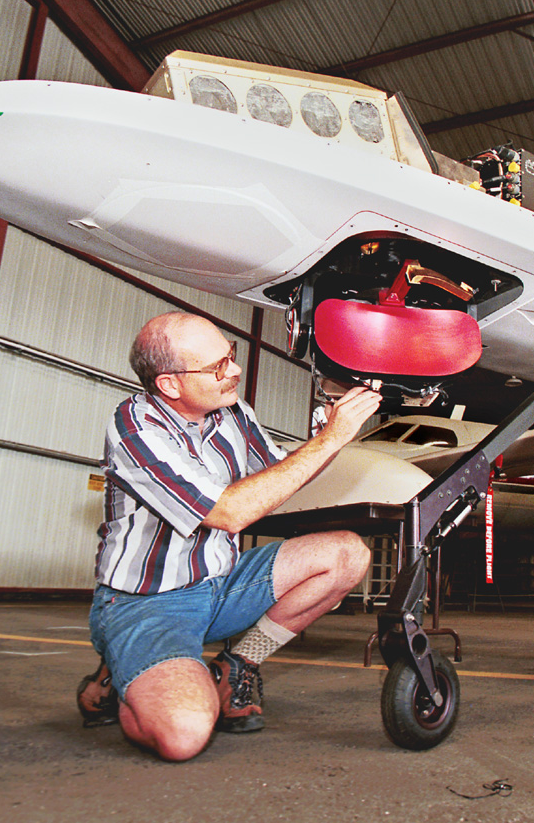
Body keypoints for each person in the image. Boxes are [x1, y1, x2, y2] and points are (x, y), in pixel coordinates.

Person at [76, 311, 382, 761]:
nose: (234, 371)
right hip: (150, 603)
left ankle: (237, 666)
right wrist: (330, 439)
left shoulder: (232, 412)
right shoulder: (135, 430)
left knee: (346, 555)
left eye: (231, 356)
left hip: (222, 585)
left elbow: (281, 476)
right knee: (183, 736)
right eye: (217, 366)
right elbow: (229, 513)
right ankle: (120, 672)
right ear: (170, 385)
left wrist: (330, 433)